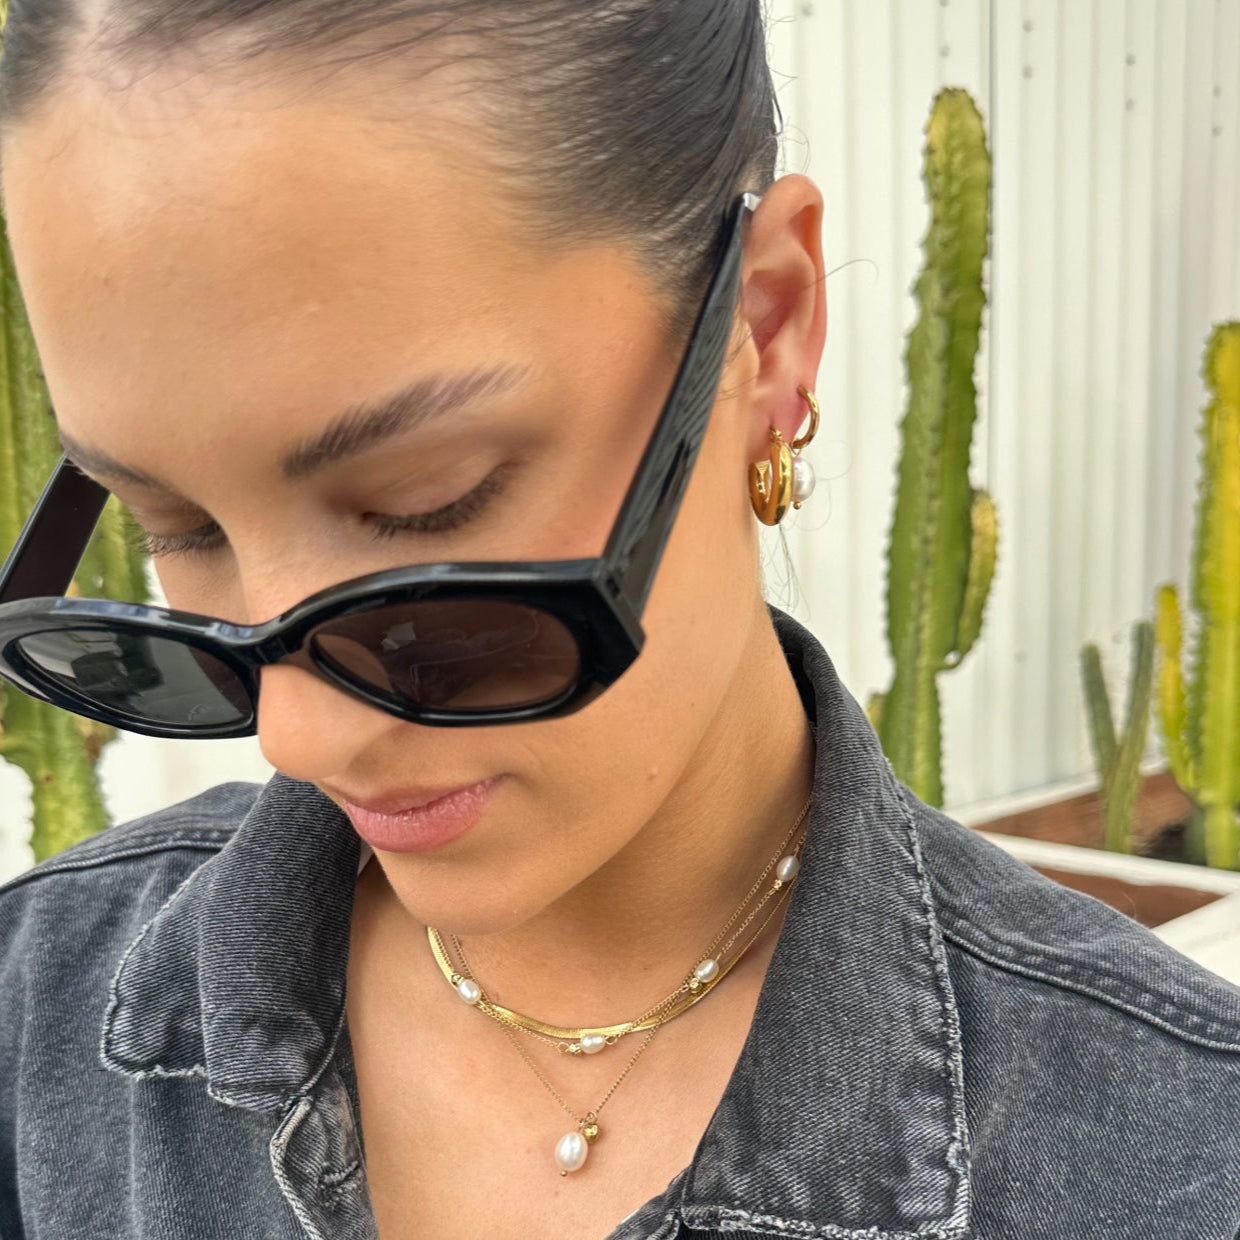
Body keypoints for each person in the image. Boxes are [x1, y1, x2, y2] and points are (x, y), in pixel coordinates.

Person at [0, 2, 1238, 1237]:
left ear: (765, 326)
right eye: (175, 525)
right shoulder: (34, 997)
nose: (296, 735)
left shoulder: (1176, 1159)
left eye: (428, 502)